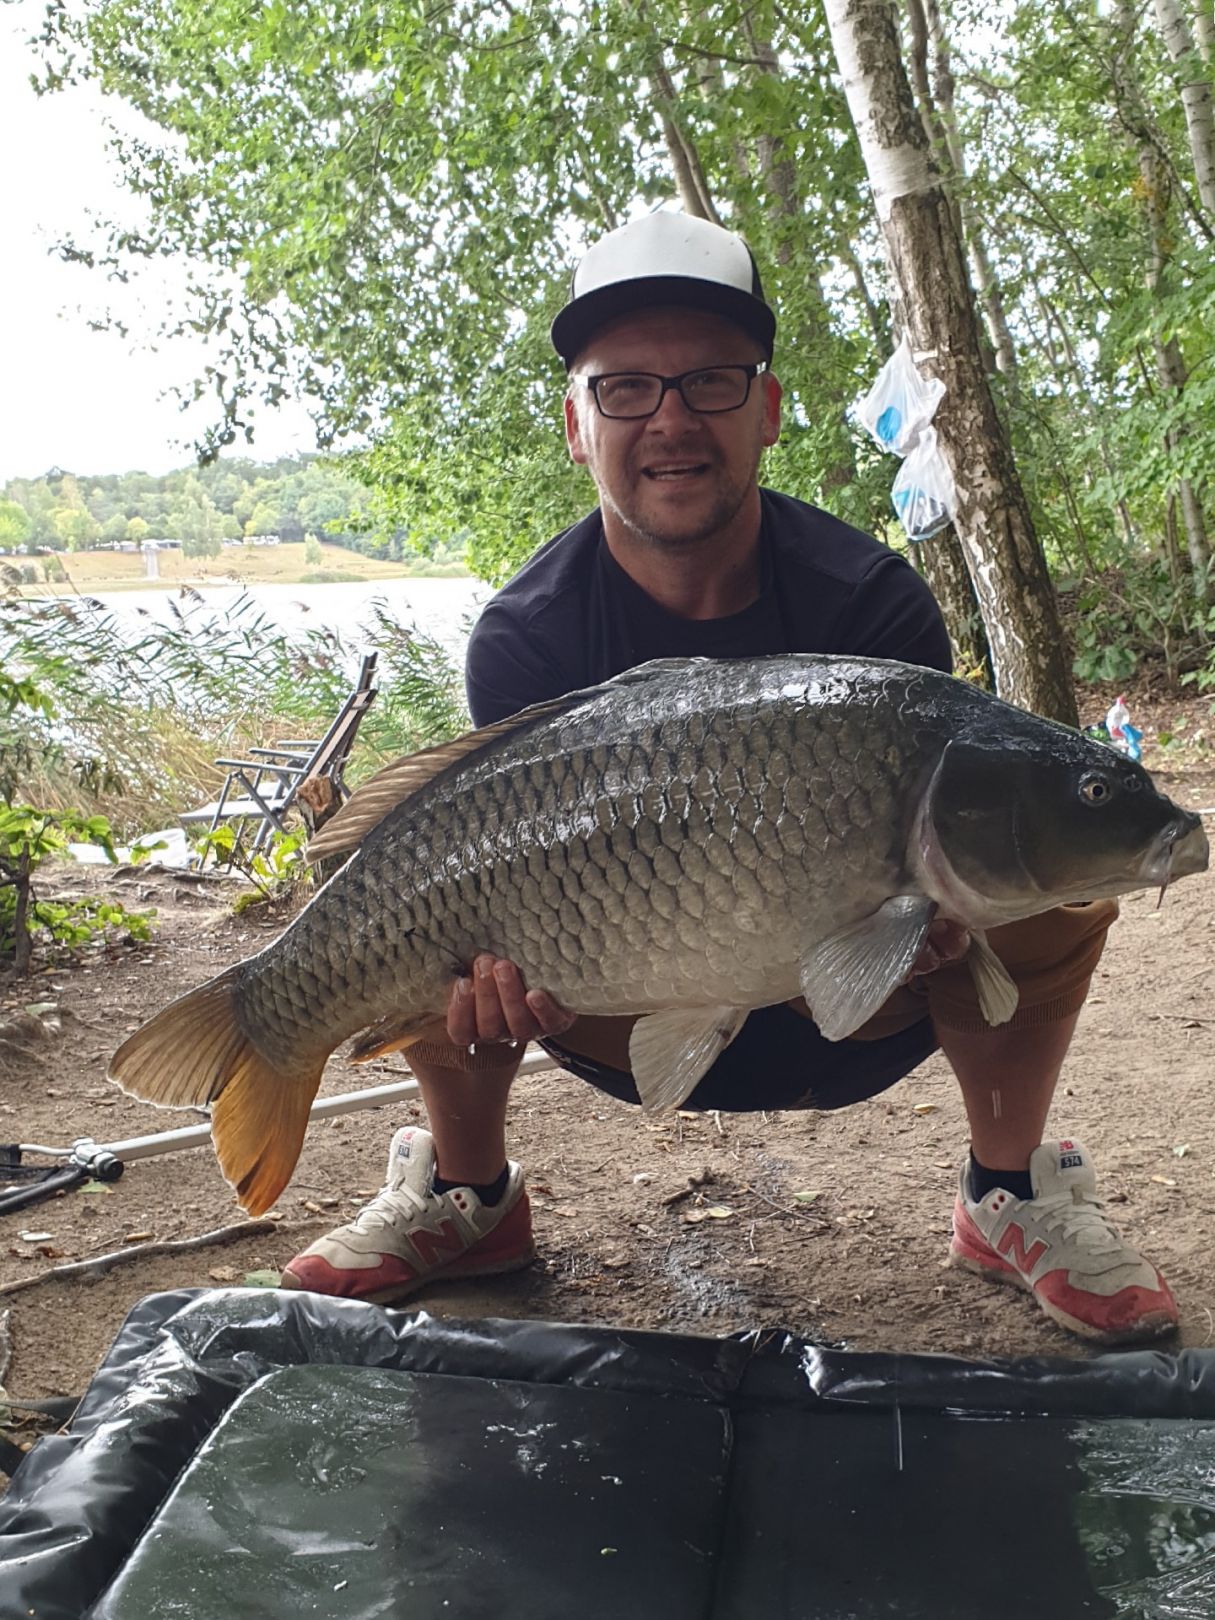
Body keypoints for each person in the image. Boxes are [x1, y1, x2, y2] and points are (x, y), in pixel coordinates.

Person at [283, 211, 1177, 1346]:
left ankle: (1008, 1193)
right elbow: (465, 879)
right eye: (625, 389)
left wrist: (928, 927)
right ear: (576, 424)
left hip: (850, 1001)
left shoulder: (873, 607)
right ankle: (468, 1198)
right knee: (438, 918)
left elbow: (931, 882)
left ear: (765, 410)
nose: (670, 420)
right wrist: (494, 978)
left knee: (1058, 891)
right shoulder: (523, 633)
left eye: (709, 382)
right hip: (612, 999)